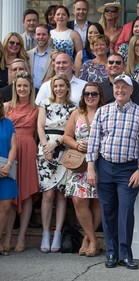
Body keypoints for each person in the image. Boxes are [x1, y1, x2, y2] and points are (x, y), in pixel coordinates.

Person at [86, 74, 139, 269]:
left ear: (131, 90)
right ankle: (111, 253)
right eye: (117, 87)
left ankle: (125, 254)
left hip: (128, 170)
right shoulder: (102, 111)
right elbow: (93, 142)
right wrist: (91, 168)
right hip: (104, 167)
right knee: (108, 212)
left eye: (124, 87)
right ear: (113, 89)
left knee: (125, 212)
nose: (120, 90)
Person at [63, 82, 105, 257]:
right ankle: (92, 239)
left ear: (100, 95)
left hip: (100, 162)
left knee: (97, 201)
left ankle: (88, 240)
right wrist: (76, 145)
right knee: (78, 201)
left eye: (94, 93)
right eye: (87, 93)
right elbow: (66, 136)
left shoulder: (106, 113)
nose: (90, 96)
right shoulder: (76, 113)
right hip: (80, 164)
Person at [37, 74, 76, 253]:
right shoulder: (44, 103)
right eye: (56, 86)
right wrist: (46, 146)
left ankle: (58, 233)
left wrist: (56, 143)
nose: (58, 89)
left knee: (61, 195)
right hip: (45, 149)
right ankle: (46, 232)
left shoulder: (73, 107)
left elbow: (71, 130)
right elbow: (40, 126)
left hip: (63, 148)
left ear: (67, 87)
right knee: (48, 194)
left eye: (62, 86)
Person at [2, 72, 39, 254]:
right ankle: (7, 237)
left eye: (25, 85)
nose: (22, 89)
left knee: (25, 194)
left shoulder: (37, 108)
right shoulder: (7, 107)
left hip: (29, 148)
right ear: (14, 88)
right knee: (9, 197)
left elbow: (38, 134)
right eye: (19, 86)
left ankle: (22, 236)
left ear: (30, 87)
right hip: (10, 150)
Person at [0, 94, 18, 256]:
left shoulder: (8, 123)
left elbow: (13, 147)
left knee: (5, 207)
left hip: (6, 169)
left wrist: (8, 165)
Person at [27, 24, 53, 89]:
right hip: (31, 92)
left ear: (49, 36)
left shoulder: (55, 54)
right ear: (35, 36)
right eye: (38, 34)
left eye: (44, 34)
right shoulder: (28, 55)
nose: (41, 37)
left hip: (49, 91)